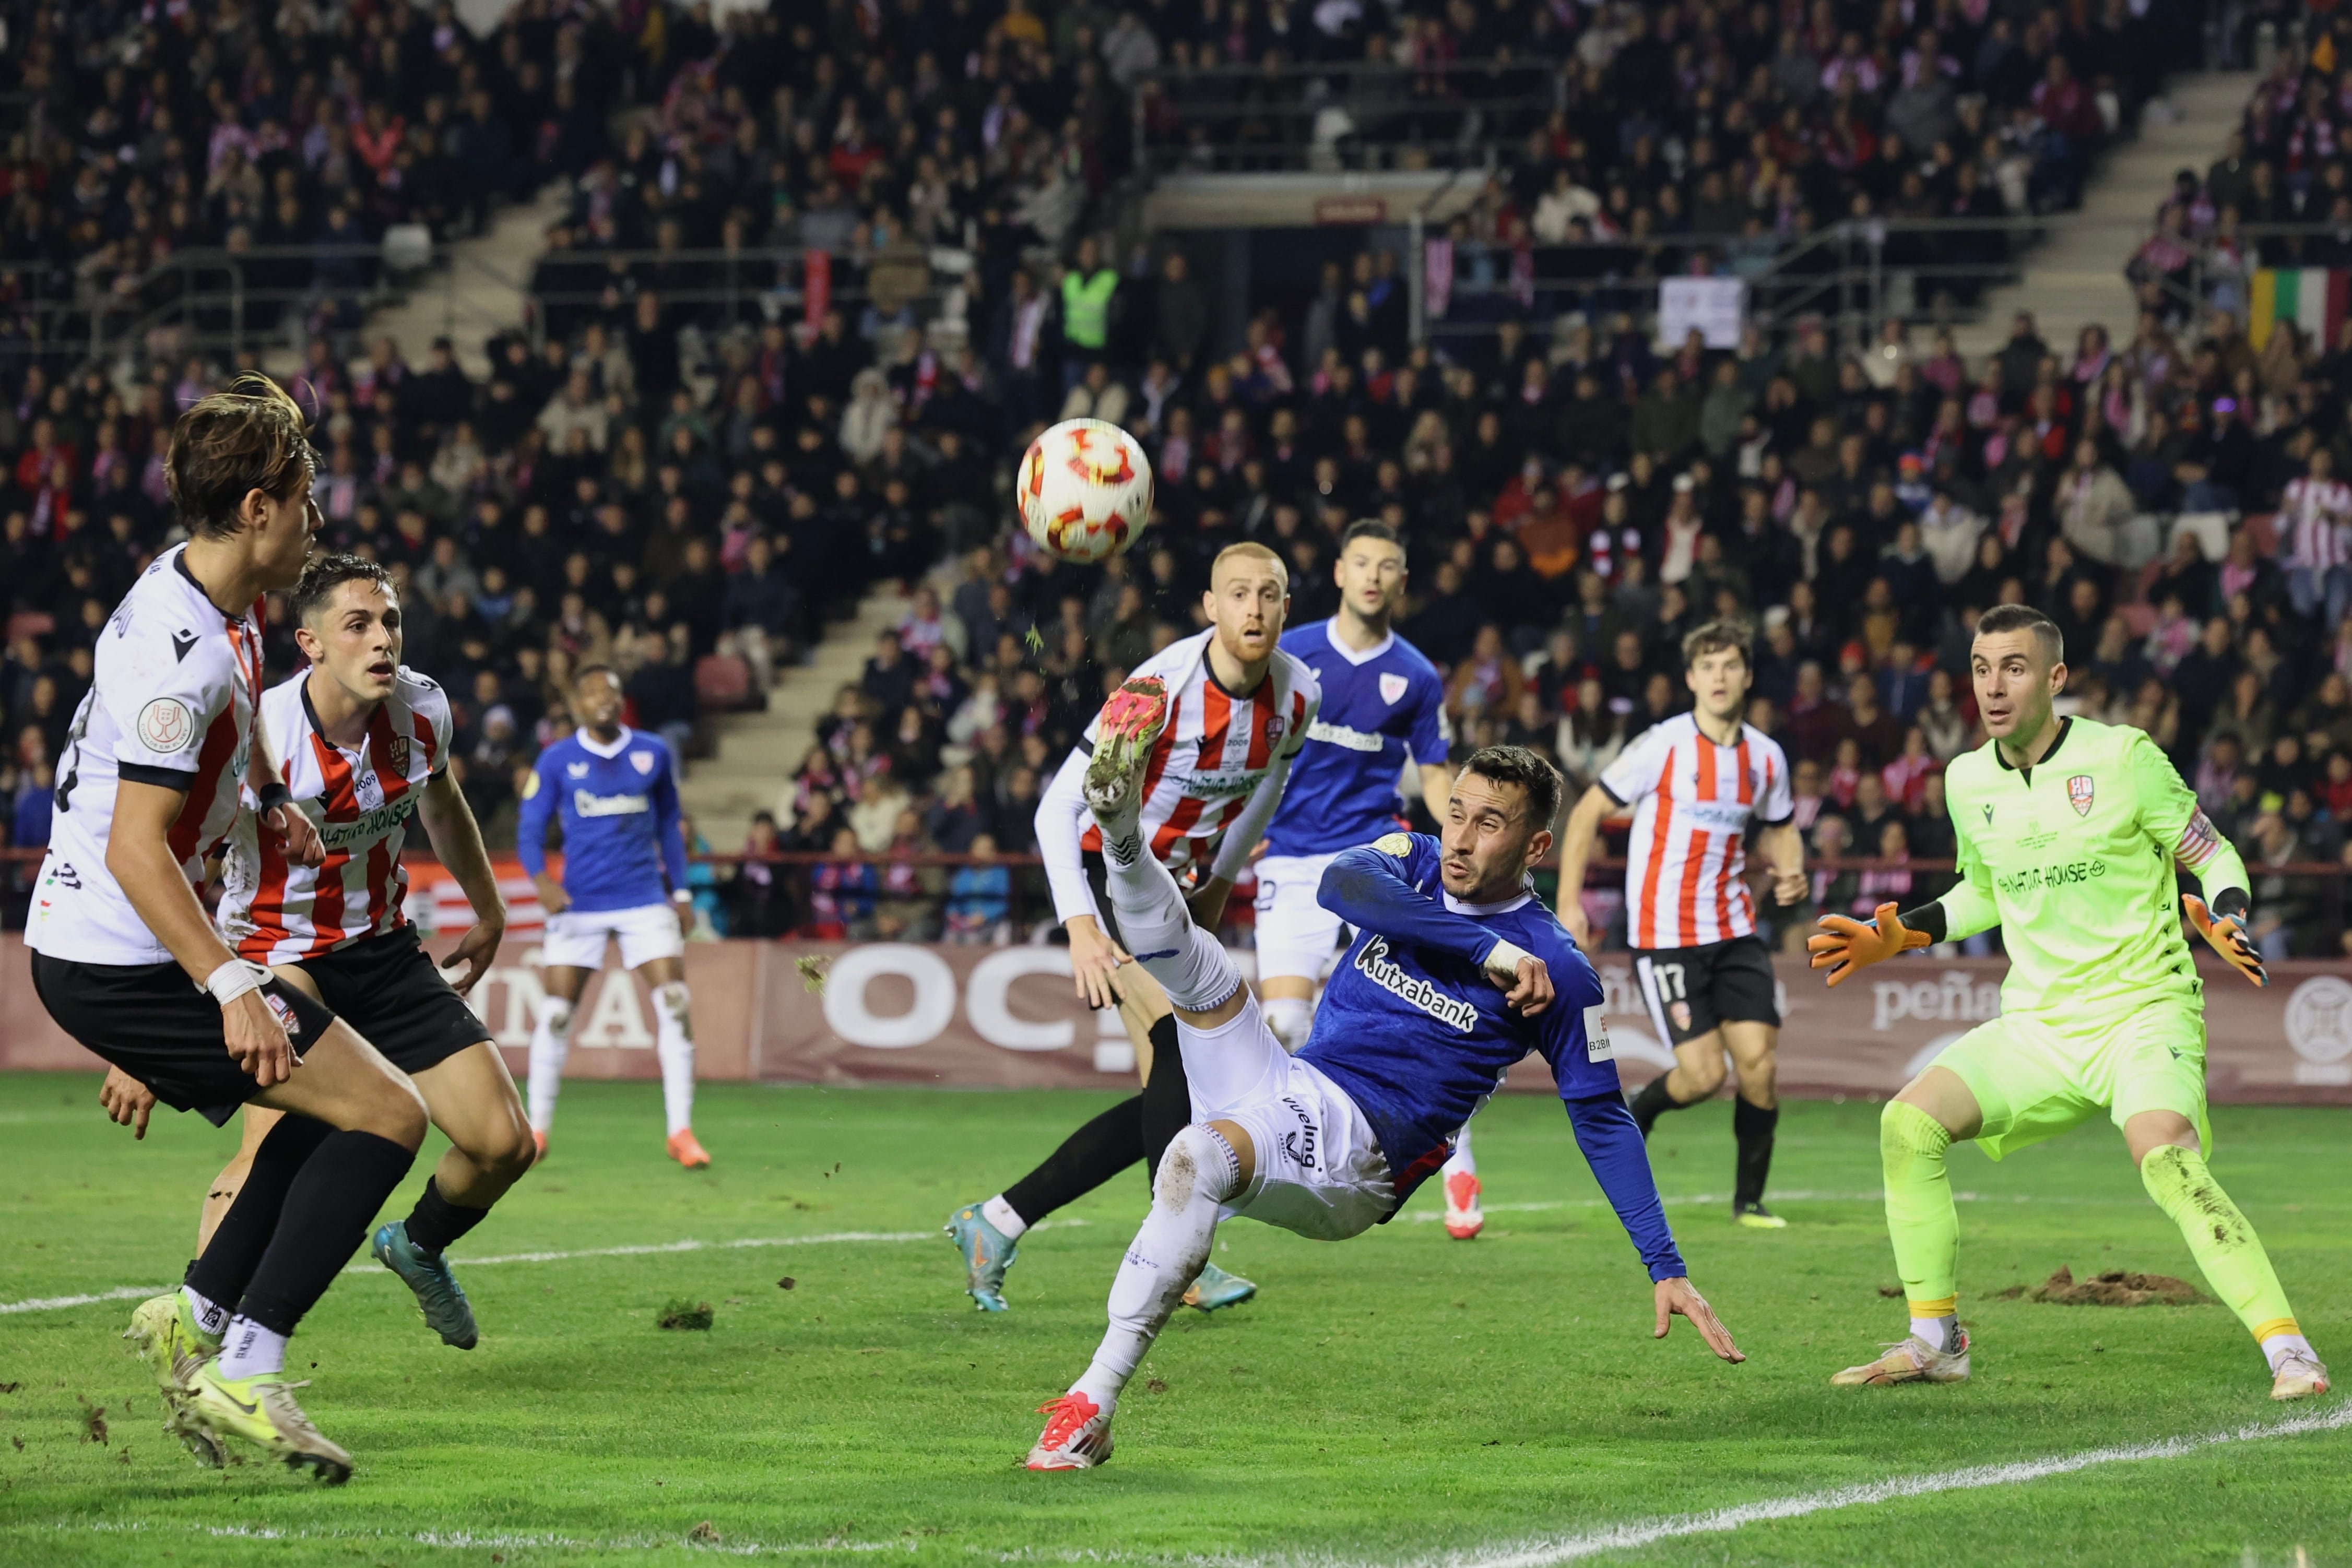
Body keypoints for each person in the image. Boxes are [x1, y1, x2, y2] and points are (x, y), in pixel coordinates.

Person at [1023, 727, 1743, 1470]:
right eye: (1456, 811)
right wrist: (1483, 951)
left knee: (1193, 1155)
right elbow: (1342, 886)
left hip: (1360, 1156)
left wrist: (1666, 1266)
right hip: (1292, 1081)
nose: (1460, 838)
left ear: (1534, 848)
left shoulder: (1557, 966)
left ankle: (1090, 1406)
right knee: (1196, 964)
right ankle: (1120, 837)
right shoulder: (1414, 861)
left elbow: (1600, 1116)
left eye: (1489, 823)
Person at [47, 376, 425, 1481]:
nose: (316, 516)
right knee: (390, 1116)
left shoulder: (212, 602)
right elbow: (134, 847)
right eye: (305, 497)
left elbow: (220, 735)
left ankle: (203, 1318)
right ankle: (245, 1363)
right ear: (260, 508)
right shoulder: (193, 650)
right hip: (115, 956)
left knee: (328, 1106)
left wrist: (264, 803)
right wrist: (231, 988)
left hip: (128, 939)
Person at [1809, 603, 2328, 1399]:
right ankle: (1935, 1340)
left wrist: (2226, 913)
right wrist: (1901, 936)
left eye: (2013, 668)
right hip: (2040, 1026)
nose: (1993, 686)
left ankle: (2289, 1351)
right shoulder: (1966, 779)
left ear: (2055, 678)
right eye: (1981, 668)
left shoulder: (2124, 758)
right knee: (1907, 1125)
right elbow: (1981, 891)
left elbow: (2213, 853)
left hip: (2143, 1010)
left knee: (2165, 1157)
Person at [157, 554, 529, 1357]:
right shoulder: (262, 730)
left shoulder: (424, 708)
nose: (381, 639)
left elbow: (446, 799)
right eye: (357, 625)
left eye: (389, 620)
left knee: (505, 1145)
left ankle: (417, 1246)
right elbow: (173, 854)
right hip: (282, 955)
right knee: (269, 1151)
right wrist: (154, 1017)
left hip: (387, 953)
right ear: (311, 643)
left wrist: (490, 908)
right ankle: (202, 1352)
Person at [945, 542, 1318, 1313]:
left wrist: (1217, 884)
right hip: (1112, 879)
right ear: (1210, 607)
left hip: (1179, 895)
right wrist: (1081, 925)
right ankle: (1176, 1257)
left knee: (1174, 1092)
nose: (1254, 608)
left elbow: (1266, 792)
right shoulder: (1157, 691)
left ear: (1287, 608)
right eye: (1238, 594)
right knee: (1186, 1066)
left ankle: (999, 1220)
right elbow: (1059, 807)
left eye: (1270, 595)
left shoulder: (1297, 695)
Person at [1554, 621, 1808, 1228]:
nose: (1719, 677)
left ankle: (1748, 1200)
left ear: (1746, 675)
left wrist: (1792, 868)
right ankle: (1638, 1112)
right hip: (1665, 935)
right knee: (1702, 1076)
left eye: (1730, 666)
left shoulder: (1765, 756)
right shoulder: (1662, 745)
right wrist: (1569, 903)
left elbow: (1780, 825)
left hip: (1734, 929)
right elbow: (1588, 810)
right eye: (1707, 666)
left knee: (1761, 1065)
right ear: (1691, 678)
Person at [1255, 520, 1470, 1231]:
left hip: (1373, 860)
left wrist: (1460, 838)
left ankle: (1456, 1155)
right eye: (1362, 563)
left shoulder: (1415, 673)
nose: (1374, 576)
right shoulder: (1294, 651)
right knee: (1284, 1023)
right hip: (1289, 856)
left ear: (1401, 584)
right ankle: (1292, 1159)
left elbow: (1434, 770)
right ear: (1341, 573)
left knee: (1423, 1013)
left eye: (1388, 566)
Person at [517, 663, 706, 1167]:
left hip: (644, 899)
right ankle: (536, 1130)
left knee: (676, 1003)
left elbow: (669, 825)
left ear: (622, 701)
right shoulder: (557, 760)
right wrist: (543, 884)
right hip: (580, 903)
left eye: (612, 692)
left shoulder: (653, 752)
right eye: (593, 693)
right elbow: (530, 830)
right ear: (578, 704)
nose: (603, 699)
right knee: (557, 1014)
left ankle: (681, 1131)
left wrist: (682, 892)